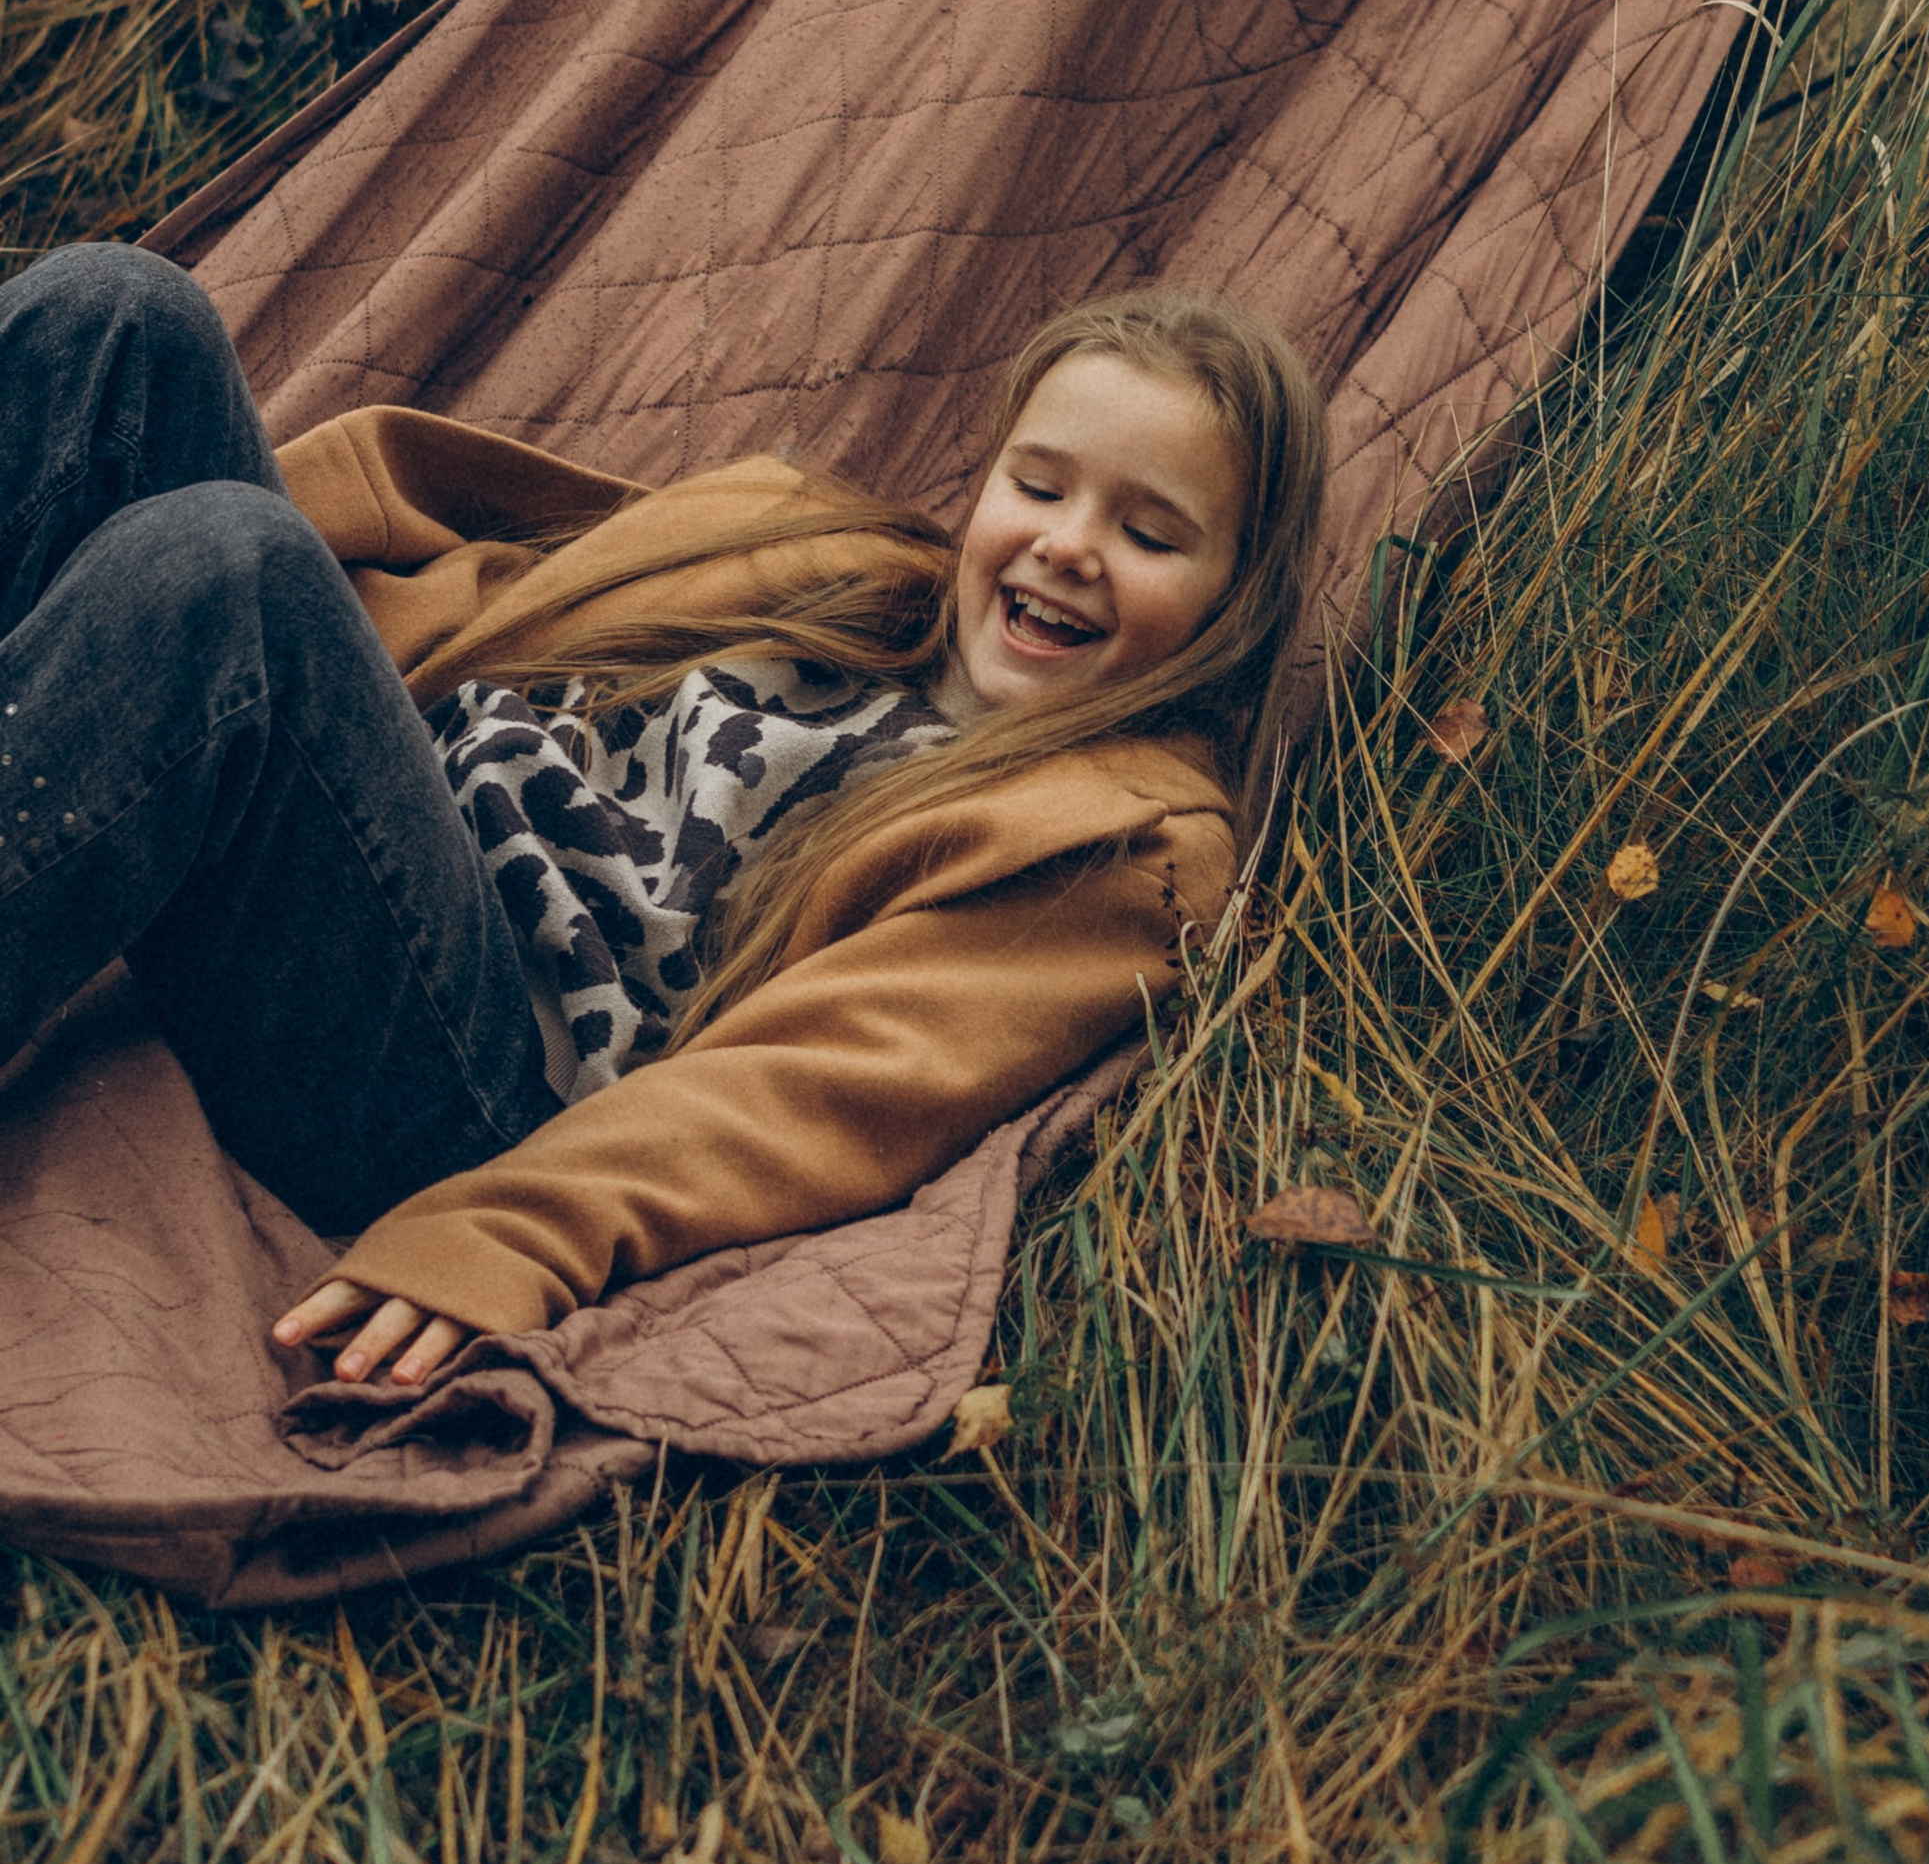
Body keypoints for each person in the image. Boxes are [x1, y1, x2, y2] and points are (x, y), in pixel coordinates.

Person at [0, 244, 1324, 1388]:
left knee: (229, 567)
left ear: (1233, 601)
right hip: (395, 787)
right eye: (1041, 485)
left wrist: (522, 1230)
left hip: (468, 1060)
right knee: (121, 314)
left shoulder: (1109, 842)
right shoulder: (845, 573)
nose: (1068, 544)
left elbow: (820, 1088)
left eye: (1150, 533)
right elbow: (508, 590)